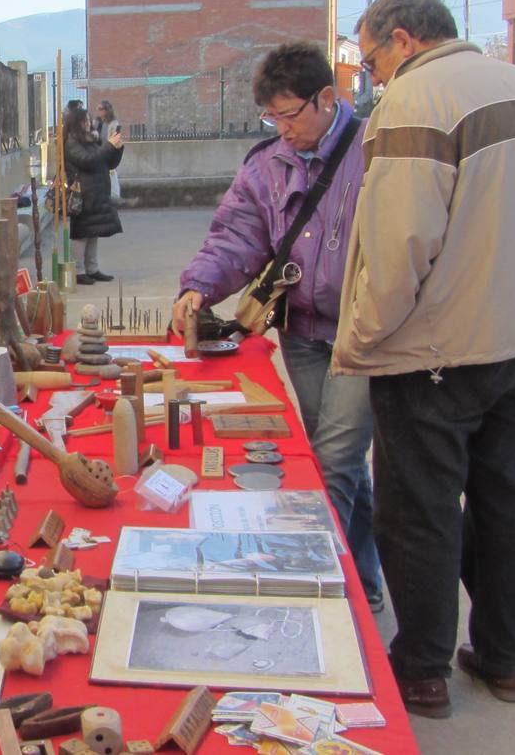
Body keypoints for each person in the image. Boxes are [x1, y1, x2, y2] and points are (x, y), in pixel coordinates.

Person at [335, 0, 515, 719]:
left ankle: (421, 668)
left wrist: (360, 338)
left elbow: (399, 247)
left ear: (401, 39)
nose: (371, 78)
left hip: (438, 348)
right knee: (501, 500)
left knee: (418, 510)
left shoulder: (417, 99)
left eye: (370, 61)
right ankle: (504, 657)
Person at [170, 42, 383, 612]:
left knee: (335, 461)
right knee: (330, 453)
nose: (283, 129)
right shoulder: (266, 164)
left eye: (292, 115)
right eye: (273, 118)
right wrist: (199, 286)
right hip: (303, 332)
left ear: (327, 98)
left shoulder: (377, 152)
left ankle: (314, 589)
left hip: (366, 334)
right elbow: (236, 237)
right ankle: (365, 575)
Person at [65, 103, 125, 284]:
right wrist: (108, 146)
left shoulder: (92, 140)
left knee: (93, 232)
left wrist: (117, 148)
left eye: (89, 120)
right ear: (77, 123)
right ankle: (79, 270)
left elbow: (108, 162)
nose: (89, 123)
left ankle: (92, 268)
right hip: (82, 194)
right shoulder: (71, 142)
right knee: (81, 233)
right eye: (85, 121)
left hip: (97, 192)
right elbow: (88, 161)